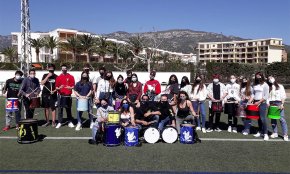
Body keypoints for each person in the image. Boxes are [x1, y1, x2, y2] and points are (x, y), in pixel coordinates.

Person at [267, 75, 288, 141]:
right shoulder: (268, 87)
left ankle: (285, 135)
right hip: (271, 103)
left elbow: (283, 95)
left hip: (279, 103)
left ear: (274, 78)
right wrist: (268, 103)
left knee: (282, 119)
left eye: (271, 78)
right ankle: (275, 132)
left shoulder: (280, 86)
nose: (270, 79)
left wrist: (282, 104)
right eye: (269, 78)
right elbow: (267, 96)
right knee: (273, 119)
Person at [55, 64, 75, 129]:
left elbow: (73, 86)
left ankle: (70, 121)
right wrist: (59, 88)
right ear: (61, 69)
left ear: (67, 69)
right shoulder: (58, 77)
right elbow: (56, 87)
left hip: (68, 95)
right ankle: (60, 122)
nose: (64, 69)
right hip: (60, 96)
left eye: (65, 68)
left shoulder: (71, 76)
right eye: (63, 68)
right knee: (60, 110)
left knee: (68, 109)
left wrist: (70, 87)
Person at [252, 72, 269, 141]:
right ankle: (260, 131)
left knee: (262, 118)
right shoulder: (255, 85)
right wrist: (251, 101)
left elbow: (266, 96)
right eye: (257, 76)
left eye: (259, 76)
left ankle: (265, 134)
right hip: (255, 102)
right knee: (258, 118)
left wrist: (259, 102)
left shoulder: (265, 85)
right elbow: (253, 94)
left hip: (262, 103)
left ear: (262, 76)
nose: (258, 77)